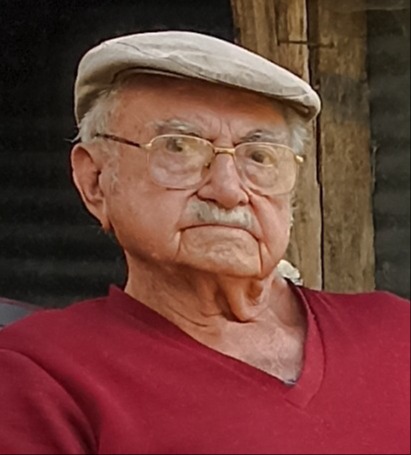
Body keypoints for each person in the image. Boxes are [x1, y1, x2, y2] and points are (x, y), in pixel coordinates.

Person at [0, 31, 409, 455]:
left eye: (259, 156)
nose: (228, 190)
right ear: (95, 181)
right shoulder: (40, 372)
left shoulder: (397, 333)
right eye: (179, 148)